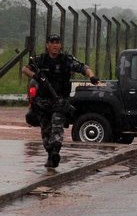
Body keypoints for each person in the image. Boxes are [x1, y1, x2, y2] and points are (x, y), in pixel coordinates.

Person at [21, 33, 99, 168]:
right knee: (46, 131)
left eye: (57, 42)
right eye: (52, 42)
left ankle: (56, 151)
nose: (55, 45)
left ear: (60, 45)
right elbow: (25, 69)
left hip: (59, 100)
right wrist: (36, 76)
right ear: (47, 45)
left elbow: (83, 67)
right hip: (43, 101)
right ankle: (50, 154)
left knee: (57, 126)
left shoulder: (66, 60)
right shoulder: (41, 60)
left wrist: (92, 77)